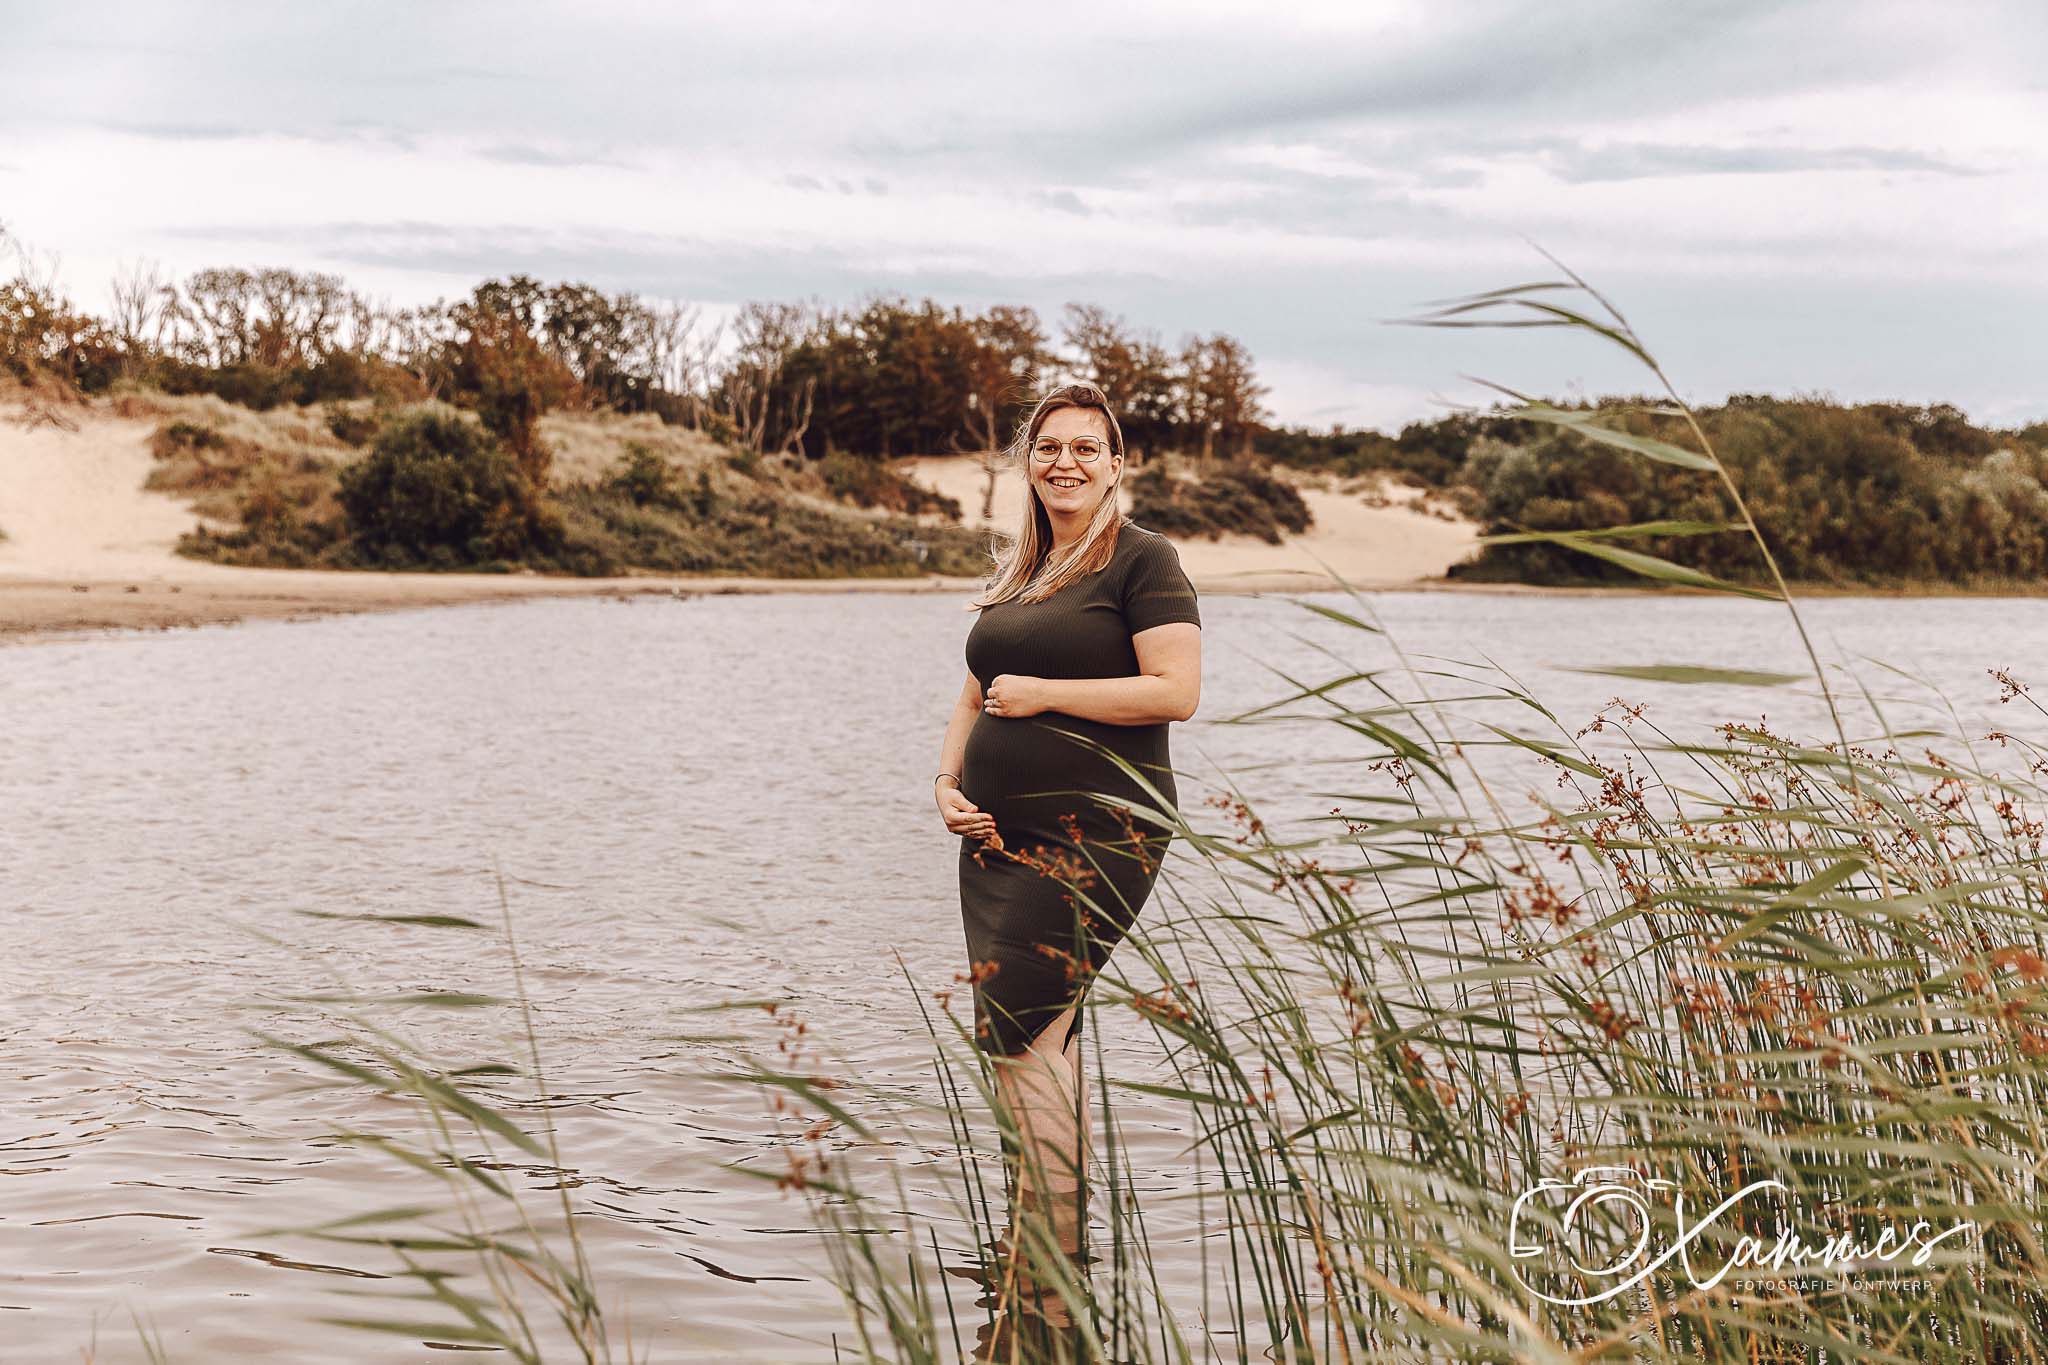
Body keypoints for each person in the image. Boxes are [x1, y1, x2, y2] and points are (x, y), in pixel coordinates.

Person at [931, 381, 1202, 1354]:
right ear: (1027, 461)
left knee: (1014, 1032)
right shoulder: (1024, 567)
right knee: (1044, 1034)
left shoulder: (1142, 562)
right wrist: (946, 778)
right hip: (994, 843)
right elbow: (973, 687)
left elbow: (1175, 691)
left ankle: (1040, 1264)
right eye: (1049, 447)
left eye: (1086, 448)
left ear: (1115, 462)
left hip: (1103, 835)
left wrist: (1046, 692)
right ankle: (1054, 1255)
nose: (1065, 464)